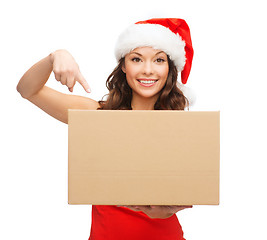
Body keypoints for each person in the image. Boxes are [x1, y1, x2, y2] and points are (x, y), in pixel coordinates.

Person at [17, 18, 194, 240]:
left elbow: (189, 193)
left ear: (169, 68)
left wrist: (168, 210)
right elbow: (27, 90)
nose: (148, 70)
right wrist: (55, 56)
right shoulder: (97, 115)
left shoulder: (181, 127)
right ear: (123, 65)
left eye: (159, 60)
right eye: (137, 59)